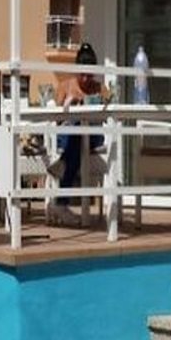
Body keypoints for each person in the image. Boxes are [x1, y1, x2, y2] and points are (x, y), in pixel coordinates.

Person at [48, 43, 108, 224]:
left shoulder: (100, 88)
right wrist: (68, 105)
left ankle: (62, 166)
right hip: (68, 136)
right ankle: (61, 203)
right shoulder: (65, 86)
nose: (86, 79)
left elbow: (108, 114)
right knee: (76, 134)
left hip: (93, 136)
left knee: (79, 136)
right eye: (82, 74)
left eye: (90, 75)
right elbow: (54, 119)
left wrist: (102, 104)